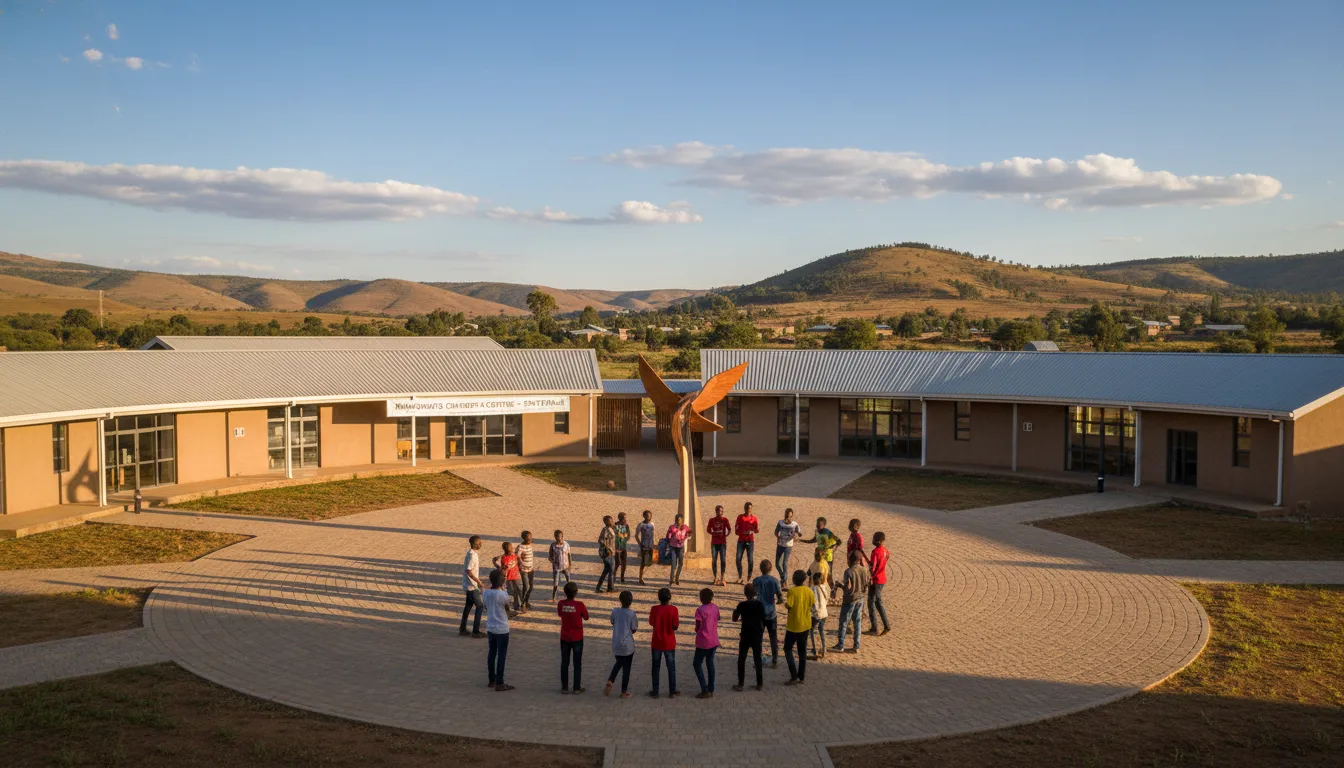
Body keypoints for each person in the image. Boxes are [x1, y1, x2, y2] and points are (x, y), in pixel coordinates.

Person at [731, 584, 766, 691]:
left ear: (745, 594)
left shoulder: (742, 605)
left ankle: (740, 684)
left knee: (742, 659)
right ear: (755, 593)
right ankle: (759, 684)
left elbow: (734, 619)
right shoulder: (760, 604)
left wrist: (735, 612)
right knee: (757, 659)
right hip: (757, 635)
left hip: (745, 634)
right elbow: (763, 618)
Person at [833, 551, 870, 653]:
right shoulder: (864, 570)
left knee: (844, 622)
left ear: (850, 560)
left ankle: (841, 645)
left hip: (849, 600)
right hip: (860, 598)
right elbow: (868, 583)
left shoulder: (848, 572)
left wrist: (839, 586)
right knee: (857, 622)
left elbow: (847, 588)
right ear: (859, 560)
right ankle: (856, 646)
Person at [783, 569, 814, 686]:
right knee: (802, 651)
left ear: (794, 580)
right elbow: (812, 603)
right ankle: (801, 676)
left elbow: (789, 605)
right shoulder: (809, 591)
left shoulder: (792, 591)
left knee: (788, 649)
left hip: (793, 625)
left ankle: (793, 675)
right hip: (805, 624)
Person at [483, 569, 514, 691]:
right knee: (501, 655)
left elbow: (485, 606)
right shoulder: (503, 595)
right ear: (503, 581)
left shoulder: (485, 593)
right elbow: (507, 606)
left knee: (492, 653)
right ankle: (500, 682)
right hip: (502, 628)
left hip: (491, 627)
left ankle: (491, 679)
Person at [605, 590, 638, 698]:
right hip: (628, 645)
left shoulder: (615, 611)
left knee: (619, 662)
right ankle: (623, 691)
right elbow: (634, 629)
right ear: (631, 602)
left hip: (616, 643)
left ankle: (611, 679)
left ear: (620, 600)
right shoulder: (631, 614)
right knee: (626, 668)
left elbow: (612, 622)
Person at [648, 587, 680, 698]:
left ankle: (655, 691)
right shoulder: (674, 609)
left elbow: (651, 622)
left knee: (655, 667)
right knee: (671, 667)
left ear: (659, 598)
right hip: (669, 642)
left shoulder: (654, 609)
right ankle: (672, 691)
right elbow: (675, 626)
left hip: (656, 641)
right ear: (669, 598)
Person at [557, 581, 589, 694]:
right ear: (576, 593)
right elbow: (586, 617)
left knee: (564, 662)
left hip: (565, 637)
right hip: (577, 638)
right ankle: (576, 687)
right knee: (577, 663)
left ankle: (564, 687)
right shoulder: (580, 605)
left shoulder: (561, 604)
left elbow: (560, 614)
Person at [750, 560, 783, 667]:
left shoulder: (756, 581)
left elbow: (753, 595)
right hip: (771, 613)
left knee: (758, 637)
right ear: (771, 569)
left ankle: (757, 660)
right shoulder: (775, 581)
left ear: (760, 569)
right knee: (773, 637)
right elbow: (780, 597)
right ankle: (775, 660)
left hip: (759, 613)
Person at [692, 587, 721, 698]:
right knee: (710, 663)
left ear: (701, 598)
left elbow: (698, 625)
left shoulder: (700, 610)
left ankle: (704, 689)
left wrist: (697, 630)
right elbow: (717, 619)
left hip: (703, 641)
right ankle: (711, 688)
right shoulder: (715, 607)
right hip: (713, 640)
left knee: (697, 663)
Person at [800, 516, 840, 595]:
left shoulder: (827, 532)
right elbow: (813, 540)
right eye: (817, 523)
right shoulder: (817, 532)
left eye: (820, 524)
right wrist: (801, 540)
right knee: (813, 573)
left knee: (828, 576)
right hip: (819, 556)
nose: (818, 525)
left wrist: (830, 549)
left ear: (824, 525)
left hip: (828, 557)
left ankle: (833, 589)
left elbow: (838, 541)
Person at [459, 535, 485, 638]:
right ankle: (475, 631)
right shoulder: (472, 556)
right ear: (476, 544)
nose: (481, 544)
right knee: (480, 606)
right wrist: (479, 582)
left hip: (468, 585)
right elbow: (469, 571)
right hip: (472, 586)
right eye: (480, 542)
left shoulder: (471, 553)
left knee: (468, 607)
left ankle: (463, 628)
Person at [865, 531, 891, 636]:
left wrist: (869, 578)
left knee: (872, 603)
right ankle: (885, 625)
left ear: (878, 541)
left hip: (875, 580)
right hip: (882, 579)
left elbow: (873, 567)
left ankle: (876, 627)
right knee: (878, 602)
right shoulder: (885, 551)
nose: (873, 540)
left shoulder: (875, 552)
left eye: (874, 539)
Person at [773, 508, 801, 583]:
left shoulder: (794, 524)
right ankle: (783, 577)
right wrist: (777, 535)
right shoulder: (780, 522)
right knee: (777, 564)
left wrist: (797, 534)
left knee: (784, 563)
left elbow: (799, 532)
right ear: (785, 515)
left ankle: (784, 580)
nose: (789, 518)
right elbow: (775, 531)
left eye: (791, 516)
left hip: (788, 546)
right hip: (780, 545)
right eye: (788, 516)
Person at [706, 506, 732, 587]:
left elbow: (729, 529)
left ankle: (722, 578)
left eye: (721, 511)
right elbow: (708, 529)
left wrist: (726, 534)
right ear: (716, 511)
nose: (720, 512)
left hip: (722, 543)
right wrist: (713, 533)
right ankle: (715, 578)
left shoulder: (725, 520)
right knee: (714, 560)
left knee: (723, 560)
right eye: (718, 511)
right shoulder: (712, 520)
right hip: (714, 542)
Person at [734, 502, 759, 584]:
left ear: (752, 509)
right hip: (741, 540)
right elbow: (736, 530)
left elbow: (756, 529)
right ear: (744, 508)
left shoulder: (754, 518)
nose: (748, 510)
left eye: (750, 508)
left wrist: (753, 531)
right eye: (747, 508)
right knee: (738, 558)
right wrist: (739, 531)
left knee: (750, 560)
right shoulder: (740, 517)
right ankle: (740, 576)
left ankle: (749, 577)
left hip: (750, 541)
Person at [494, 542, 522, 613]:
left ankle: (521, 604)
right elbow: (504, 568)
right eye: (511, 548)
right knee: (515, 591)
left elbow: (518, 561)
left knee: (517, 590)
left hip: (514, 576)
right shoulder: (505, 558)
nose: (512, 549)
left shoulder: (510, 556)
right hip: (510, 577)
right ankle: (517, 605)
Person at [809, 571, 830, 661]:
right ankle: (824, 648)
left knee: (812, 630)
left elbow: (815, 604)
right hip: (824, 613)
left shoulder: (813, 589)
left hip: (816, 614)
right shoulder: (824, 587)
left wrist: (811, 611)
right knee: (821, 630)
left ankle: (815, 649)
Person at [665, 513, 691, 586]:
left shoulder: (685, 527)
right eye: (677, 521)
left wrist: (686, 538)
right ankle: (671, 579)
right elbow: (668, 536)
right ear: (675, 520)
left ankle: (677, 578)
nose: (679, 522)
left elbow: (690, 532)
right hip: (673, 547)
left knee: (681, 563)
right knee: (673, 564)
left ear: (682, 521)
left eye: (680, 521)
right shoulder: (672, 527)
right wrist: (670, 537)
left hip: (680, 547)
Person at [549, 530, 572, 601]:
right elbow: (550, 555)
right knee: (555, 583)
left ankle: (570, 595)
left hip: (566, 566)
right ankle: (553, 597)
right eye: (557, 538)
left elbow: (569, 555)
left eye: (560, 538)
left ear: (562, 537)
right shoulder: (552, 545)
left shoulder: (566, 545)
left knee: (569, 581)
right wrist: (552, 561)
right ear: (555, 537)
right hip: (556, 567)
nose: (559, 539)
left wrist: (570, 565)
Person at [635, 510, 656, 586]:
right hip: (644, 546)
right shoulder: (641, 525)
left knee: (649, 562)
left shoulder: (652, 524)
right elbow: (636, 535)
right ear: (644, 516)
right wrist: (640, 543)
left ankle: (642, 576)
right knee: (643, 562)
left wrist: (655, 543)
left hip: (651, 545)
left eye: (650, 516)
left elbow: (653, 534)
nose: (649, 518)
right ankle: (640, 578)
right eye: (647, 516)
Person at [596, 515, 617, 593]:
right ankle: (610, 588)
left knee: (606, 571)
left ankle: (598, 587)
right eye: (610, 521)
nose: (612, 522)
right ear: (606, 522)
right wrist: (607, 548)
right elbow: (600, 540)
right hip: (607, 553)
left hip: (610, 552)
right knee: (611, 570)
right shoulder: (605, 530)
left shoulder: (611, 529)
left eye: (612, 520)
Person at [517, 530, 536, 612]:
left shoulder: (530, 546)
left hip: (531, 569)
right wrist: (520, 564)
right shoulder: (520, 547)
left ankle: (526, 601)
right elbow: (517, 556)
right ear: (523, 538)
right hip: (524, 570)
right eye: (528, 538)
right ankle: (523, 604)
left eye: (530, 538)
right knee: (526, 586)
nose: (530, 539)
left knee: (531, 587)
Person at [613, 512, 632, 584]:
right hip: (617, 547)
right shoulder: (615, 526)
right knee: (617, 563)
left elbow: (628, 535)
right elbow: (614, 536)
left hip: (623, 546)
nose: (625, 519)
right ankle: (613, 575)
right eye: (624, 518)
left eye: (625, 518)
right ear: (619, 518)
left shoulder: (626, 525)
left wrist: (624, 538)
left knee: (624, 563)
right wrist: (622, 537)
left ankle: (622, 576)